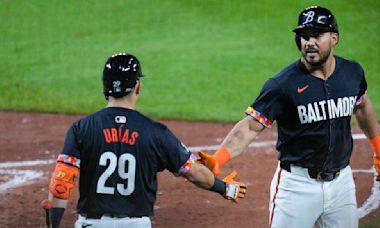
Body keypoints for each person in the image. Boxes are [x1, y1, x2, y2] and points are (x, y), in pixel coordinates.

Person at [197, 6, 380, 228]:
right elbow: (251, 127)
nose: (309, 42)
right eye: (304, 36)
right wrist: (219, 158)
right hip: (297, 188)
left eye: (317, 35)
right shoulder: (283, 84)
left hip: (342, 185)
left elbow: (362, 105)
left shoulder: (352, 73)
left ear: (334, 38)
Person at [44, 53, 246, 228]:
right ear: (137, 87)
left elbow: (61, 186)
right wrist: (225, 188)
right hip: (136, 224)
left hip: (92, 223)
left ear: (105, 86)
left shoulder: (81, 128)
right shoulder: (155, 132)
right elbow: (194, 173)